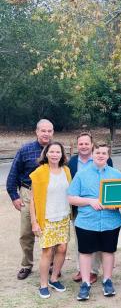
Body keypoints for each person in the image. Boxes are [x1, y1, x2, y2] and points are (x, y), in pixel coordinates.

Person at [68, 142, 121, 301]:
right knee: (85, 252)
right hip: (86, 221)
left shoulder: (117, 175)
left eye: (104, 153)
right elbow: (71, 198)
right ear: (92, 154)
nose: (100, 155)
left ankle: (107, 280)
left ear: (108, 156)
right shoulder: (81, 174)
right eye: (98, 152)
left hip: (110, 221)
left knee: (108, 251)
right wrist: (90, 201)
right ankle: (85, 283)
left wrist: (116, 205)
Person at [6, 119, 54, 280]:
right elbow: (12, 175)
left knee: (51, 230)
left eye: (49, 131)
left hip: (51, 195)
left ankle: (50, 264)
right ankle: (27, 264)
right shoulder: (25, 150)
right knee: (27, 232)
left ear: (52, 133)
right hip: (28, 193)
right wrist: (14, 196)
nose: (46, 134)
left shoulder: (55, 150)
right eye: (43, 130)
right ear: (37, 131)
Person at [68, 132, 113, 284]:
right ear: (77, 145)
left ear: (91, 145)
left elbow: (110, 184)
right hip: (81, 209)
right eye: (81, 144)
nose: (84, 146)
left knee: (101, 243)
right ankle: (82, 270)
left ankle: (94, 270)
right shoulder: (72, 162)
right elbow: (71, 187)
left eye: (86, 143)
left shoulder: (106, 161)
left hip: (103, 210)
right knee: (82, 241)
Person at [29, 141, 72, 298]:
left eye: (58, 152)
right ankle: (43, 284)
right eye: (52, 152)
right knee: (47, 252)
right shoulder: (39, 173)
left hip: (63, 216)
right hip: (47, 218)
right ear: (46, 154)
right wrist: (34, 222)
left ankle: (54, 278)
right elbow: (32, 200)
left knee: (62, 249)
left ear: (62, 155)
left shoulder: (66, 171)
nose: (55, 155)